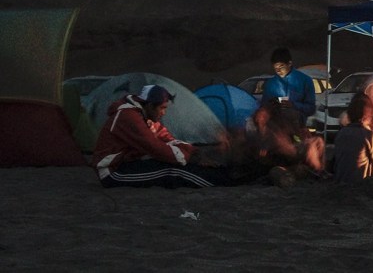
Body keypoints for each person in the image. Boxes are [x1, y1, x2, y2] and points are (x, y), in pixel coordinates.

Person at [92, 84, 241, 188]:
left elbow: (167, 139)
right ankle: (221, 182)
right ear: (150, 106)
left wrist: (195, 152)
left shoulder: (147, 117)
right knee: (173, 171)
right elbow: (155, 147)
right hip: (113, 172)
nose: (164, 113)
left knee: (173, 163)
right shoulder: (128, 116)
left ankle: (219, 174)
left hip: (128, 164)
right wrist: (189, 157)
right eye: (162, 108)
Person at [331, 93, 373, 183]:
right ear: (368, 115)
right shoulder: (368, 134)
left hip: (340, 180)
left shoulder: (341, 133)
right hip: (361, 182)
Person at [261, 48, 316, 128]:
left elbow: (311, 108)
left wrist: (293, 104)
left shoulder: (305, 80)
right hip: (275, 124)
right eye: (276, 68)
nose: (278, 71)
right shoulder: (271, 83)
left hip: (296, 125)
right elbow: (264, 105)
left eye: (281, 67)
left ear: (289, 63)